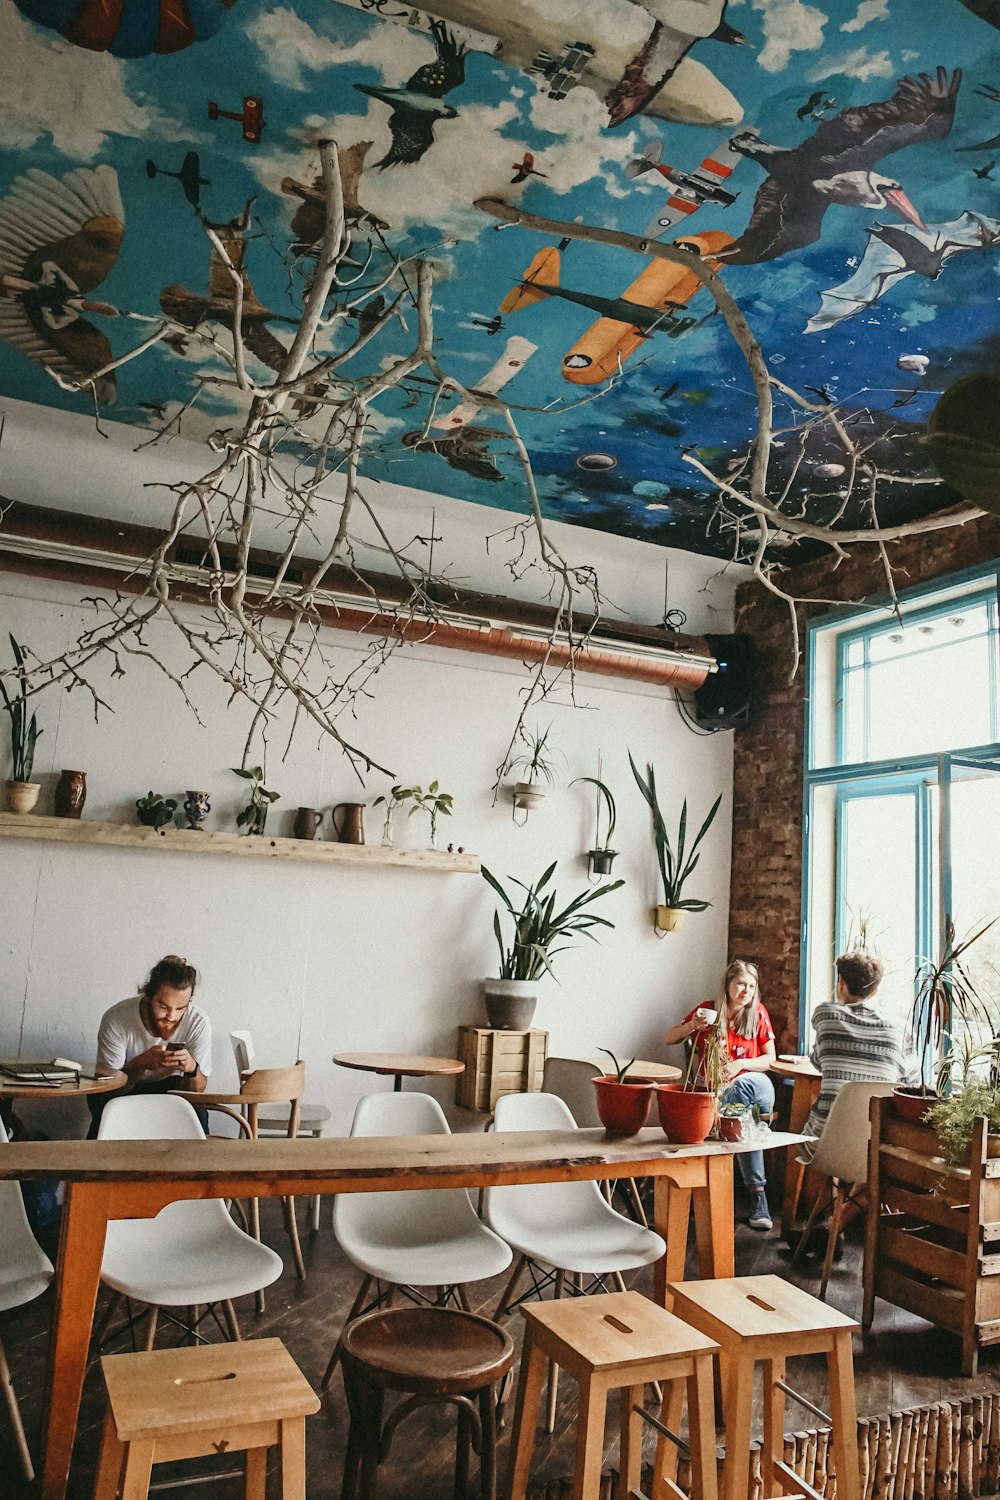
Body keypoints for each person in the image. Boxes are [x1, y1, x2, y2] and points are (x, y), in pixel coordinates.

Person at [664, 958, 776, 1231]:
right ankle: (757, 1199)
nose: (746, 991)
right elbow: (669, 1038)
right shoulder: (707, 1010)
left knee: (738, 1094)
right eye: (741, 984)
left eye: (751, 986)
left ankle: (709, 1192)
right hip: (719, 1094)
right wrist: (693, 1026)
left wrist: (740, 1065)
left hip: (754, 1087)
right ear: (727, 984)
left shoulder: (757, 1014)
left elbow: (770, 1060)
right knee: (739, 1119)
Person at [804, 949, 914, 1153]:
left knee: (807, 1128)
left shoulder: (825, 1014)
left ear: (841, 984)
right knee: (869, 1160)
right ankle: (860, 1185)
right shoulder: (900, 1028)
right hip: (878, 1143)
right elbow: (907, 1079)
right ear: (874, 992)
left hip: (825, 1141)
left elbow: (818, 1061)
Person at [88, 955, 212, 1137]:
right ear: (148, 996)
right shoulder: (117, 1019)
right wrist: (140, 1064)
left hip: (172, 1089)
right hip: (125, 1087)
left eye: (180, 1009)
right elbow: (106, 1093)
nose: (171, 1016)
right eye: (163, 1006)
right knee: (103, 1111)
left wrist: (192, 1068)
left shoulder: (198, 1022)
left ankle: (196, 1164)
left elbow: (198, 1091)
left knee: (196, 1110)